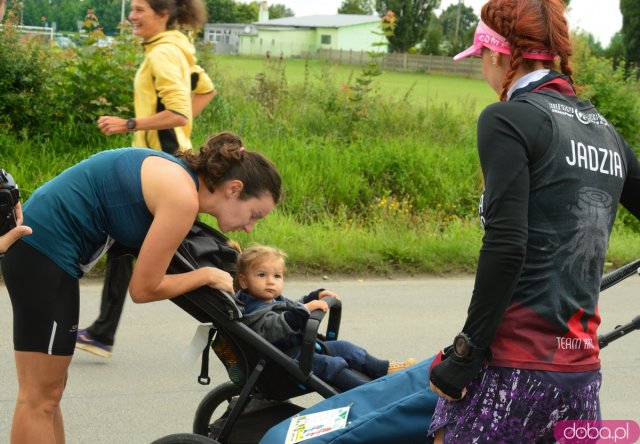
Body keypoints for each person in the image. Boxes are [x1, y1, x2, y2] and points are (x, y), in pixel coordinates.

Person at [427, 1, 640, 442]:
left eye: (481, 59)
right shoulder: (604, 130)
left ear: (498, 54)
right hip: (581, 378)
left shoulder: (508, 119)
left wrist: (464, 356)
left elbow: (507, 243)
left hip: (514, 369)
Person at [1, 131, 282, 443]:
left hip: (42, 253)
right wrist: (207, 276)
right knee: (39, 398)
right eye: (254, 214)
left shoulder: (179, 178)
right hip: (44, 253)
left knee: (48, 392)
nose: (250, 226)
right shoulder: (182, 197)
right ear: (234, 188)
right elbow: (144, 288)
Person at [77, 0, 217, 358]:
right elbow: (205, 90)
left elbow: (178, 111)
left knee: (181, 256)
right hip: (163, 161)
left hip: (163, 165)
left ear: (163, 13)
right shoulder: (175, 48)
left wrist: (128, 124)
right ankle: (102, 332)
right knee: (128, 245)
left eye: (139, 9)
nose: (132, 16)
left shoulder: (163, 54)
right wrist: (181, 126)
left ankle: (241, 311)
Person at [235, 244, 416, 392]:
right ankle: (369, 391)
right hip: (283, 364)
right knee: (330, 364)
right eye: (261, 275)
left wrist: (313, 298)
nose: (271, 281)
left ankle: (384, 369)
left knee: (345, 348)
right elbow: (270, 328)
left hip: (298, 351)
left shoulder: (271, 298)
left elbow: (293, 307)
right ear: (244, 281)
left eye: (277, 276)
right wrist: (304, 310)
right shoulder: (253, 308)